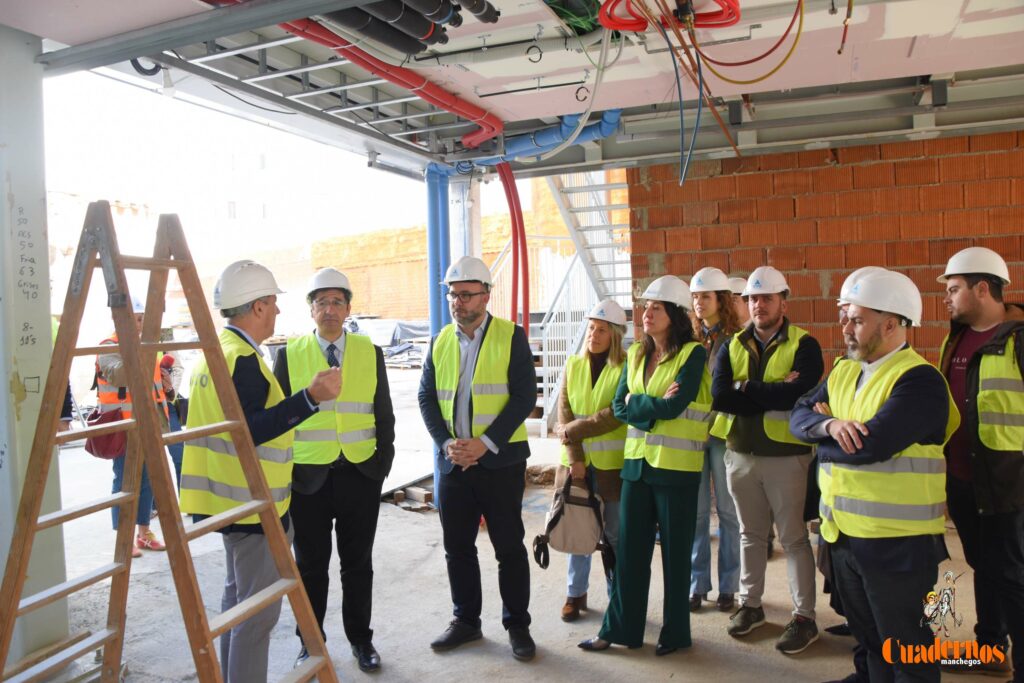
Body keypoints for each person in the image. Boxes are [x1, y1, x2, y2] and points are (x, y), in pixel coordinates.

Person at [790, 267, 957, 683]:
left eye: (856, 318)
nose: (845, 326)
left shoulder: (920, 381)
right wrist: (830, 426)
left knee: (906, 645)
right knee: (866, 635)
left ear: (890, 323)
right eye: (844, 315)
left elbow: (869, 447)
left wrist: (824, 435)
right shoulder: (845, 370)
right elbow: (797, 417)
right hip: (843, 534)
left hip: (897, 544)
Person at [179, 260, 341, 683]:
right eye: (271, 303)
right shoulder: (243, 361)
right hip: (250, 508)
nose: (276, 311)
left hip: (223, 503)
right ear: (255, 308)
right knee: (256, 617)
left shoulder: (217, 355)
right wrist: (310, 397)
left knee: (238, 605)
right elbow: (252, 429)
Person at [579, 275, 710, 656]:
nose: (646, 313)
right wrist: (647, 406)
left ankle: (675, 634)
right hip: (636, 468)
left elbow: (675, 405)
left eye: (655, 307)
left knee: (675, 557)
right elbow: (621, 407)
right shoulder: (636, 353)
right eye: (645, 306)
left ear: (675, 314)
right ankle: (618, 629)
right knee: (630, 557)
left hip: (676, 472)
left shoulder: (693, 354)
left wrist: (641, 403)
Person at [273, 268, 396, 673]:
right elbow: (278, 421)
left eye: (336, 302)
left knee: (358, 563)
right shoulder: (288, 355)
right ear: (310, 309)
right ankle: (311, 644)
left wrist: (381, 466)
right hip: (308, 478)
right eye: (321, 302)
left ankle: (362, 640)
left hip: (360, 474)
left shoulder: (369, 351)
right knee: (311, 566)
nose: (329, 309)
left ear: (348, 308)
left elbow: (384, 415)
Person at [418, 255, 538, 661]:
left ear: (487, 296)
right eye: (453, 295)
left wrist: (484, 443)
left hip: (498, 463)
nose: (458, 302)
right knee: (458, 548)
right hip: (453, 463)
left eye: (466, 294)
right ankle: (466, 621)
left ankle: (517, 625)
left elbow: (524, 397)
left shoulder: (511, 336)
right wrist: (445, 443)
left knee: (509, 547)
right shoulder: (439, 341)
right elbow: (426, 398)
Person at [710, 265, 824, 654]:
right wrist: (769, 390)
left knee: (793, 539)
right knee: (750, 535)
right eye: (753, 299)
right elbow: (721, 396)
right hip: (740, 454)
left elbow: (800, 396)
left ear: (783, 302)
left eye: (766, 298)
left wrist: (748, 388)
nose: (758, 305)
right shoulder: (732, 345)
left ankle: (805, 616)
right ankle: (751, 605)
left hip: (787, 456)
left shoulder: (805, 344)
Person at [937, 246, 1022, 680]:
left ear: (982, 288)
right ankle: (992, 650)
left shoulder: (1019, 339)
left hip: (1010, 485)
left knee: (1013, 576)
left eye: (954, 289)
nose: (947, 298)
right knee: (985, 568)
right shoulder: (955, 338)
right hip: (962, 479)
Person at [554, 300, 628, 622]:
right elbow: (563, 412)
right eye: (591, 328)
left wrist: (571, 430)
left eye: (601, 330)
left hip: (612, 466)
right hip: (576, 466)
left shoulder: (626, 367)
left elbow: (615, 415)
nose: (593, 335)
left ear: (614, 335)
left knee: (613, 535)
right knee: (578, 530)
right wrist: (576, 459)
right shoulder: (573, 364)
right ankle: (575, 593)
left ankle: (616, 595)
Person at [95, 296, 168, 559]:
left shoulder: (147, 346)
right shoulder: (108, 346)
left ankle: (144, 532)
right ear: (122, 320)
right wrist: (140, 352)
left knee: (147, 480)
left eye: (143, 319)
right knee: (124, 480)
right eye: (138, 319)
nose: (142, 324)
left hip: (148, 424)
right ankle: (123, 538)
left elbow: (155, 385)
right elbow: (118, 374)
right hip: (124, 427)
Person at [688, 267, 742, 613]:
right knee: (695, 514)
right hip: (692, 435)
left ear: (721, 300)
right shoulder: (689, 340)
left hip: (722, 435)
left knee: (727, 512)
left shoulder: (736, 340)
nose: (698, 303)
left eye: (705, 296)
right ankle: (697, 585)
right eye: (695, 297)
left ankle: (729, 586)